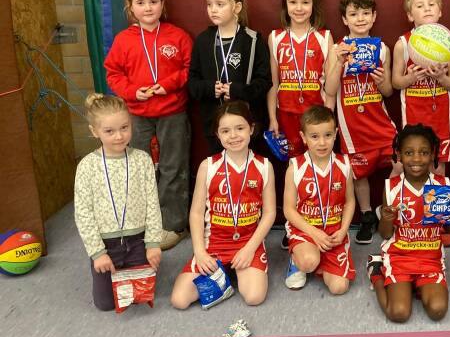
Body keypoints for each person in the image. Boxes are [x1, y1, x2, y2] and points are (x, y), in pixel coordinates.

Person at [104, 0, 192, 250]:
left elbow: (190, 69)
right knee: (139, 168)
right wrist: (132, 91)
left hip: (172, 112)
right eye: (141, 3)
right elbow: (113, 73)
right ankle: (141, 224)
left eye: (153, 1)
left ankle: (174, 224)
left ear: (163, 3)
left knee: (173, 167)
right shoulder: (123, 40)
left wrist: (168, 85)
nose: (148, 8)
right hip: (137, 114)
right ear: (130, 6)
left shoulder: (178, 36)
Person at [170, 101, 276, 309]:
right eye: (225, 131)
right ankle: (224, 271)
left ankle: (229, 271)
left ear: (251, 129)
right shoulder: (208, 166)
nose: (233, 136)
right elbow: (196, 213)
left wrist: (249, 249)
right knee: (179, 300)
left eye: (240, 128)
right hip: (214, 243)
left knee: (254, 297)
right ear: (217, 135)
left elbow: (270, 213)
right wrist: (200, 252)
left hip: (247, 241)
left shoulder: (264, 166)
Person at [367, 124, 450, 322]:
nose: (416, 159)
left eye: (423, 152)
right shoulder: (391, 187)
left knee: (437, 311)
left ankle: (416, 285)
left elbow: (448, 228)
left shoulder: (443, 185)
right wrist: (387, 220)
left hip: (430, 258)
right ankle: (376, 272)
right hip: (399, 256)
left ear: (433, 155)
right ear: (399, 155)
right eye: (409, 153)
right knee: (398, 313)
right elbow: (385, 234)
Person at [74, 93, 162, 311]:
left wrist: (153, 244)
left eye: (124, 127)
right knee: (106, 304)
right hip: (106, 245)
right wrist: (98, 253)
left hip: (138, 240)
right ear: (95, 131)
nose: (119, 136)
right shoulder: (87, 166)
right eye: (109, 131)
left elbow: (153, 205)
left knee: (139, 297)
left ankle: (140, 260)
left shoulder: (142, 159)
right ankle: (107, 265)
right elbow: (83, 214)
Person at [324, 0, 398, 245]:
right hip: (352, 126)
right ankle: (367, 215)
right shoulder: (337, 49)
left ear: (374, 16)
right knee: (359, 174)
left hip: (380, 121)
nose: (360, 19)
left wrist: (381, 80)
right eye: (354, 14)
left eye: (366, 13)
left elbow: (388, 91)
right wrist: (339, 63)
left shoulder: (383, 48)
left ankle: (384, 209)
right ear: (344, 19)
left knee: (401, 161)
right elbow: (330, 89)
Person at [188, 0, 271, 156]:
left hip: (247, 126)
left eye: (220, 4)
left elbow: (264, 82)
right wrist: (209, 88)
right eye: (209, 4)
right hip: (215, 127)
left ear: (237, 7)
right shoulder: (203, 41)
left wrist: (238, 91)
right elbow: (192, 83)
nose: (213, 9)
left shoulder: (253, 40)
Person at [283, 106, 356, 294]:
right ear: (303, 137)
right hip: (306, 229)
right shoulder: (295, 167)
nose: (322, 143)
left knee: (339, 288)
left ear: (336, 134)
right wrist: (314, 233)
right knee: (308, 262)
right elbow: (288, 210)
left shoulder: (344, 164)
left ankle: (322, 258)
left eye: (328, 135)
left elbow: (349, 201)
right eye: (314, 136)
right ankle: (298, 260)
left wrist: (343, 229)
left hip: (333, 231)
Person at [391, 0, 450, 177]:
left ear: (440, 11)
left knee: (438, 168)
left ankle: (437, 200)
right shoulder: (403, 44)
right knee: (412, 167)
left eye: (431, 4)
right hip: (414, 117)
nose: (427, 9)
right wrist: (410, 78)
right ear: (410, 15)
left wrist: (441, 77)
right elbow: (396, 82)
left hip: (440, 118)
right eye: (420, 6)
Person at [267, 0, 334, 158]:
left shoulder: (324, 37)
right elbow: (273, 84)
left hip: (316, 114)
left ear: (314, 5)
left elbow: (331, 87)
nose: (299, 8)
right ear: (285, 5)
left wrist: (328, 117)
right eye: (293, 2)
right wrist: (272, 118)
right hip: (286, 113)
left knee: (319, 160)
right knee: (293, 163)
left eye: (305, 2)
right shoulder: (276, 37)